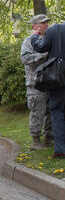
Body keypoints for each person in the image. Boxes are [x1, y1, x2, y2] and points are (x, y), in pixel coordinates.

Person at [31, 21, 65, 159]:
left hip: (58, 77)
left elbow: (41, 47)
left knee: (57, 112)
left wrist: (34, 36)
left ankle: (61, 150)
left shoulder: (55, 29)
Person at [21, 15, 53, 150]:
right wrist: (43, 56)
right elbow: (26, 59)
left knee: (51, 110)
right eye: (44, 23)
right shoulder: (29, 41)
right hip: (35, 84)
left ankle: (49, 138)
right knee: (37, 111)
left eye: (47, 23)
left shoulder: (50, 39)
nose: (47, 25)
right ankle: (35, 140)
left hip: (50, 82)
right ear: (35, 26)